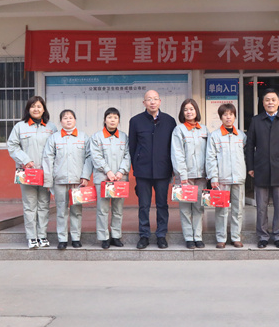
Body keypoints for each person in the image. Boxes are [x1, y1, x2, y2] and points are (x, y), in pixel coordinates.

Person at [246, 88, 279, 249]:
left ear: (278, 102)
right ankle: (262, 236)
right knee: (261, 206)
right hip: (260, 168)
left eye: (273, 99)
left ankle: (278, 235)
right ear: (263, 102)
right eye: (267, 100)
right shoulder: (256, 120)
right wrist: (250, 166)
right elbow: (250, 145)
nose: (270, 102)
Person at [7, 96, 58, 249]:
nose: (36, 109)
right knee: (29, 205)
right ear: (28, 109)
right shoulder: (20, 127)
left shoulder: (51, 127)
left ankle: (42, 235)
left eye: (39, 106)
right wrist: (25, 160)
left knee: (44, 205)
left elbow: (57, 149)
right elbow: (12, 146)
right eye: (33, 106)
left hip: (45, 173)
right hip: (27, 172)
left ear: (44, 109)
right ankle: (32, 237)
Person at [129, 90, 176, 249]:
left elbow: (173, 147)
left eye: (155, 99)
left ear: (160, 101)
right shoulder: (135, 121)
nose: (152, 102)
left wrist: (172, 168)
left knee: (162, 204)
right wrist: (136, 165)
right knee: (144, 205)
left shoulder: (169, 121)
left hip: (163, 169)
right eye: (149, 99)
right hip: (143, 171)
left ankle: (161, 235)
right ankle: (144, 235)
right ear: (144, 103)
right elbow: (132, 146)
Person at [42, 109, 93, 250]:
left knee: (76, 211)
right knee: (61, 211)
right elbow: (48, 159)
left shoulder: (83, 137)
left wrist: (85, 176)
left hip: (77, 181)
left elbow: (89, 158)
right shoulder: (54, 138)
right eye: (65, 118)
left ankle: (76, 238)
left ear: (75, 120)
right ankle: (62, 239)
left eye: (71, 117)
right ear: (61, 121)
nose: (68, 120)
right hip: (59, 180)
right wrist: (49, 180)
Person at [206, 103, 247, 249]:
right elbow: (210, 158)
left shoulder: (241, 136)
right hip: (222, 179)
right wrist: (214, 177)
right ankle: (221, 238)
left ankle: (236, 237)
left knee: (238, 209)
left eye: (231, 114)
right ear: (221, 117)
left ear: (235, 116)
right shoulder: (215, 136)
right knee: (221, 210)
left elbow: (246, 156)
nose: (228, 117)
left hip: (239, 178)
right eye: (225, 115)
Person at [89, 107, 130, 249]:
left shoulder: (124, 137)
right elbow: (96, 156)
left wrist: (121, 172)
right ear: (104, 120)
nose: (112, 120)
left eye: (115, 117)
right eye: (109, 117)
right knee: (102, 209)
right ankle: (104, 237)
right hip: (103, 178)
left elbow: (128, 155)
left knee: (118, 209)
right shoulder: (96, 137)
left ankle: (116, 236)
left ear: (119, 120)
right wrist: (108, 171)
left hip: (120, 179)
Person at [171, 98, 208, 249]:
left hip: (201, 176)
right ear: (182, 112)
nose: (189, 112)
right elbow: (177, 154)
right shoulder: (178, 130)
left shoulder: (204, 130)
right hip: (185, 177)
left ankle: (198, 237)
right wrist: (183, 175)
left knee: (199, 208)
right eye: (185, 109)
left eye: (191, 109)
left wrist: (210, 174)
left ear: (196, 111)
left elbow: (209, 153)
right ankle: (188, 238)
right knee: (185, 209)